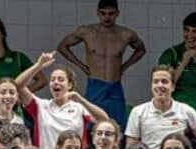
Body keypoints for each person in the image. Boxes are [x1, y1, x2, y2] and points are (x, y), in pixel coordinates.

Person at [56, 0, 146, 130]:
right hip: (95, 85)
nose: (107, 17)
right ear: (98, 13)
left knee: (117, 125)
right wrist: (82, 66)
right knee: (90, 123)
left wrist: (125, 66)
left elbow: (141, 49)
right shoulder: (86, 32)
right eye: (103, 13)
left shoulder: (126, 34)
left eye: (111, 14)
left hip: (115, 86)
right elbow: (62, 46)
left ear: (117, 14)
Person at [15, 51, 109, 149]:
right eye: (52, 80)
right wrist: (38, 65)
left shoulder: (79, 107)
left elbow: (104, 120)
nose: (55, 82)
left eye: (60, 80)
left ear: (69, 85)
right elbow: (17, 86)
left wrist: (81, 100)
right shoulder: (40, 105)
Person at [124, 65, 196, 149]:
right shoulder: (138, 112)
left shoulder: (186, 111)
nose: (159, 85)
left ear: (173, 86)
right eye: (156, 81)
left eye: (164, 81)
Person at [157, 11, 196, 122]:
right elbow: (164, 88)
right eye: (186, 30)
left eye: (195, 31)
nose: (190, 35)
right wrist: (183, 63)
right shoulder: (171, 54)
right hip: (173, 119)